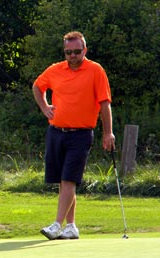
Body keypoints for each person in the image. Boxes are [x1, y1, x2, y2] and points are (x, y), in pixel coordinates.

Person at [32, 31, 115, 240]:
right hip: (56, 132)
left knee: (69, 179)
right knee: (63, 181)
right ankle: (71, 227)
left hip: (81, 134)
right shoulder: (55, 70)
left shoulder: (95, 70)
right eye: (69, 52)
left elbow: (105, 103)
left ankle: (56, 225)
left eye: (77, 52)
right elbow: (37, 86)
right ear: (64, 52)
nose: (73, 56)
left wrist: (108, 133)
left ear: (84, 50)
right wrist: (44, 107)